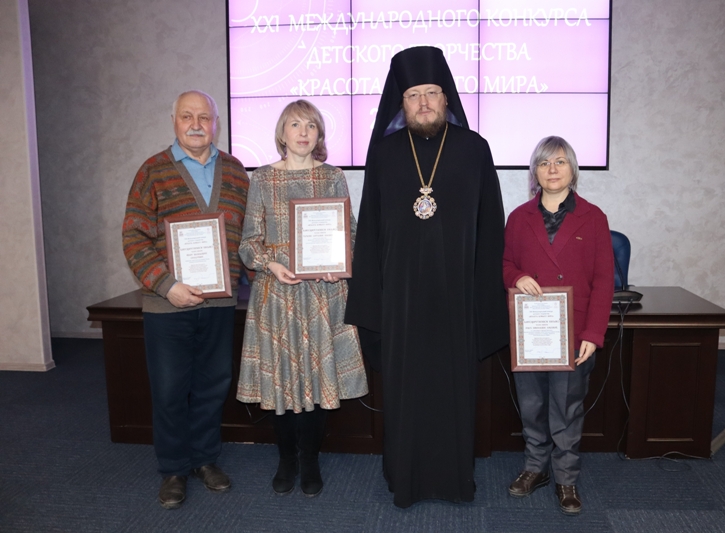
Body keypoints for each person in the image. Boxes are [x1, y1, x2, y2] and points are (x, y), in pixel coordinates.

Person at [344, 46, 508, 508]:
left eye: (431, 93)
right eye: (413, 95)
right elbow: (370, 231)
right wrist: (372, 302)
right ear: (401, 102)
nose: (423, 103)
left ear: (446, 97)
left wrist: (485, 299)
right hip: (402, 302)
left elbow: (490, 229)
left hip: (457, 299)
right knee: (407, 393)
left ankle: (456, 480)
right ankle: (406, 479)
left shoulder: (475, 149)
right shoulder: (384, 153)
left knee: (453, 392)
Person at [122, 90, 250, 509]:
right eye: (187, 116)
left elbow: (249, 235)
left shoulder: (236, 171)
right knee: (170, 390)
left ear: (216, 123)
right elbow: (134, 237)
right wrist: (166, 285)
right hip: (168, 305)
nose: (196, 124)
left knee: (213, 386)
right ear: (174, 121)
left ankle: (205, 460)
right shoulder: (153, 171)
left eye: (204, 117)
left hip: (219, 305)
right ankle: (174, 468)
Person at [236, 100, 368, 498]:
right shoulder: (262, 178)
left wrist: (339, 264)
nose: (303, 132)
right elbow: (247, 243)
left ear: (319, 134)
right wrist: (271, 264)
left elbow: (350, 233)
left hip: (322, 294)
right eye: (295, 124)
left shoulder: (332, 177)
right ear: (282, 132)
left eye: (311, 125)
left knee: (316, 379)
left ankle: (310, 460)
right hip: (277, 293)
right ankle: (286, 460)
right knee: (281, 381)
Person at [502, 136, 614, 515]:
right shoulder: (518, 217)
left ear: (572, 170)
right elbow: (504, 264)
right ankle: (536, 467)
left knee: (567, 408)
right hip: (530, 333)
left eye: (560, 162)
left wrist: (593, 334)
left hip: (574, 333)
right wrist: (516, 277)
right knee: (532, 405)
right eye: (545, 162)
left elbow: (604, 281)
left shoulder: (594, 217)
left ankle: (566, 476)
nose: (552, 169)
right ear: (535, 171)